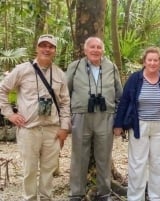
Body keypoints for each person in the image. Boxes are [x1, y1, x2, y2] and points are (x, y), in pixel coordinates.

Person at [0, 34, 71, 201]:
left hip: (52, 130)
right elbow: (2, 90)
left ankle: (46, 198)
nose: (46, 49)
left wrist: (64, 127)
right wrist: (10, 114)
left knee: (48, 170)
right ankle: (29, 198)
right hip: (29, 129)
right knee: (29, 170)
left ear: (54, 50)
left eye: (50, 46)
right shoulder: (22, 70)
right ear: (37, 48)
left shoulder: (60, 74)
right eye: (43, 45)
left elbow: (65, 103)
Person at [113, 47, 160, 201]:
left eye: (156, 60)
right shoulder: (135, 78)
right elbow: (124, 101)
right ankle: (135, 198)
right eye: (149, 60)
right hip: (138, 125)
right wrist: (118, 124)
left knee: (159, 164)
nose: (152, 63)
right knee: (137, 164)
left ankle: (157, 197)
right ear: (144, 61)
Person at [66, 36, 123, 201]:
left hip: (105, 117)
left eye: (99, 47)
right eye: (92, 47)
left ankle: (104, 193)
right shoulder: (75, 66)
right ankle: (76, 193)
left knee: (104, 156)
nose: (95, 50)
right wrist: (67, 116)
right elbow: (64, 93)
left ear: (103, 50)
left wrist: (118, 118)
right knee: (79, 156)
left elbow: (120, 94)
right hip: (81, 115)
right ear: (85, 50)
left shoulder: (111, 67)